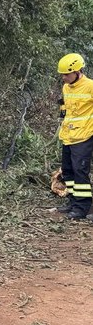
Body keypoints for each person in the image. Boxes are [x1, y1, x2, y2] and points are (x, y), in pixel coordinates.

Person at [55, 53, 93, 219]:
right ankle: (73, 200)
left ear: (78, 71)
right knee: (68, 170)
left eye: (67, 74)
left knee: (80, 171)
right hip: (68, 135)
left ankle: (82, 207)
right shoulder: (66, 87)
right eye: (62, 74)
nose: (64, 77)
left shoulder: (90, 86)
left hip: (84, 136)